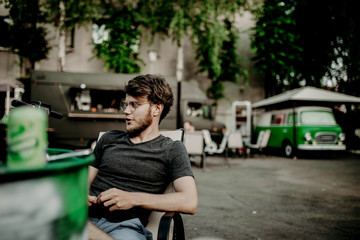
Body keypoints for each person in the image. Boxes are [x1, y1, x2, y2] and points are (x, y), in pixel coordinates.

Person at [87, 74, 198, 240]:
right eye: (126, 104)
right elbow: (82, 182)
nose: (126, 111)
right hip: (85, 218)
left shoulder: (172, 149)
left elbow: (189, 201)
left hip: (125, 229)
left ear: (156, 109)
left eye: (134, 105)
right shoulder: (109, 139)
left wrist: (132, 198)